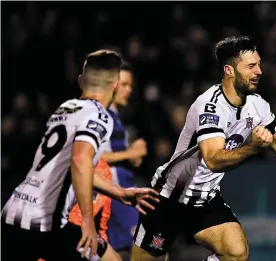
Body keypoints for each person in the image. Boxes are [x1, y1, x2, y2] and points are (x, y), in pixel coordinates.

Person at [130, 36, 276, 261]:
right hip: (168, 197)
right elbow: (214, 159)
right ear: (229, 70)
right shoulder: (209, 106)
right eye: (251, 66)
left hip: (205, 200)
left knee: (236, 253)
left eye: (259, 64)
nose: (260, 71)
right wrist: (253, 146)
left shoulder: (257, 105)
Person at [1, 49, 159, 261]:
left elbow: (72, 165)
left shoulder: (65, 109)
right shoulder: (100, 116)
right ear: (115, 86)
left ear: (80, 81)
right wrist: (87, 220)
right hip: (45, 223)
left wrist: (118, 192)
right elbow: (80, 160)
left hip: (13, 211)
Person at [101, 62, 147, 261]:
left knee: (122, 252)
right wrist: (130, 153)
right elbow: (92, 156)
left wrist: (132, 157)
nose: (129, 90)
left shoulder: (116, 117)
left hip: (122, 191)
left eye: (130, 85)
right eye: (124, 85)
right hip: (115, 193)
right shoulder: (102, 117)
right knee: (143, 248)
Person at [38, 158, 118, 261]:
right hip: (54, 225)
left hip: (75, 229)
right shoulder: (65, 156)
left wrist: (102, 237)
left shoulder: (103, 169)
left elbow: (103, 213)